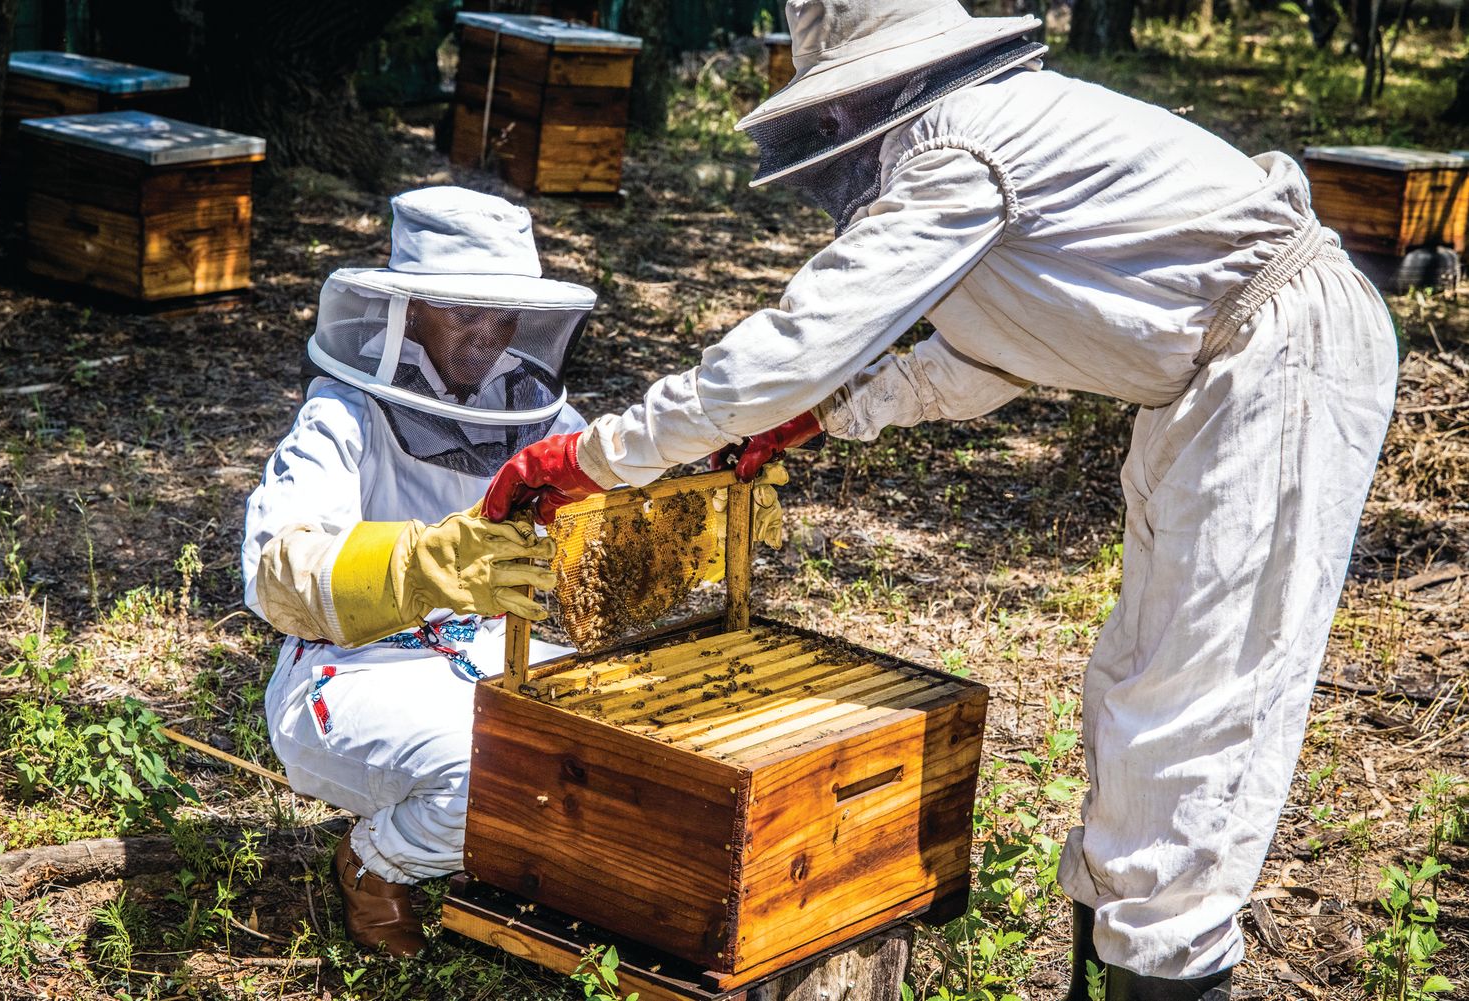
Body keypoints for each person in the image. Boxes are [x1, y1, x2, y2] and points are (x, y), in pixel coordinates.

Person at [480, 1, 1399, 998]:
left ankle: (1167, 960)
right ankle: (1120, 956)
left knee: (1200, 715)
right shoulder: (985, 140)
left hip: (1276, 362)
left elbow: (800, 343)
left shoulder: (962, 146)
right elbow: (999, 346)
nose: (834, 132)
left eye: (836, 109)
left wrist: (602, 454)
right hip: (1216, 373)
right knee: (1140, 684)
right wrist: (825, 414)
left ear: (870, 87)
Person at [240, 187, 593, 956]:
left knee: (612, 740)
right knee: (492, 771)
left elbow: (605, 478)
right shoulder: (344, 411)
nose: (489, 335)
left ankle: (499, 860)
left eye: (506, 315)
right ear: (413, 306)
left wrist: (696, 496)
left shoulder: (532, 404)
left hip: (487, 650)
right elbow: (274, 570)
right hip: (352, 665)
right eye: (466, 311)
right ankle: (377, 862)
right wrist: (420, 566)